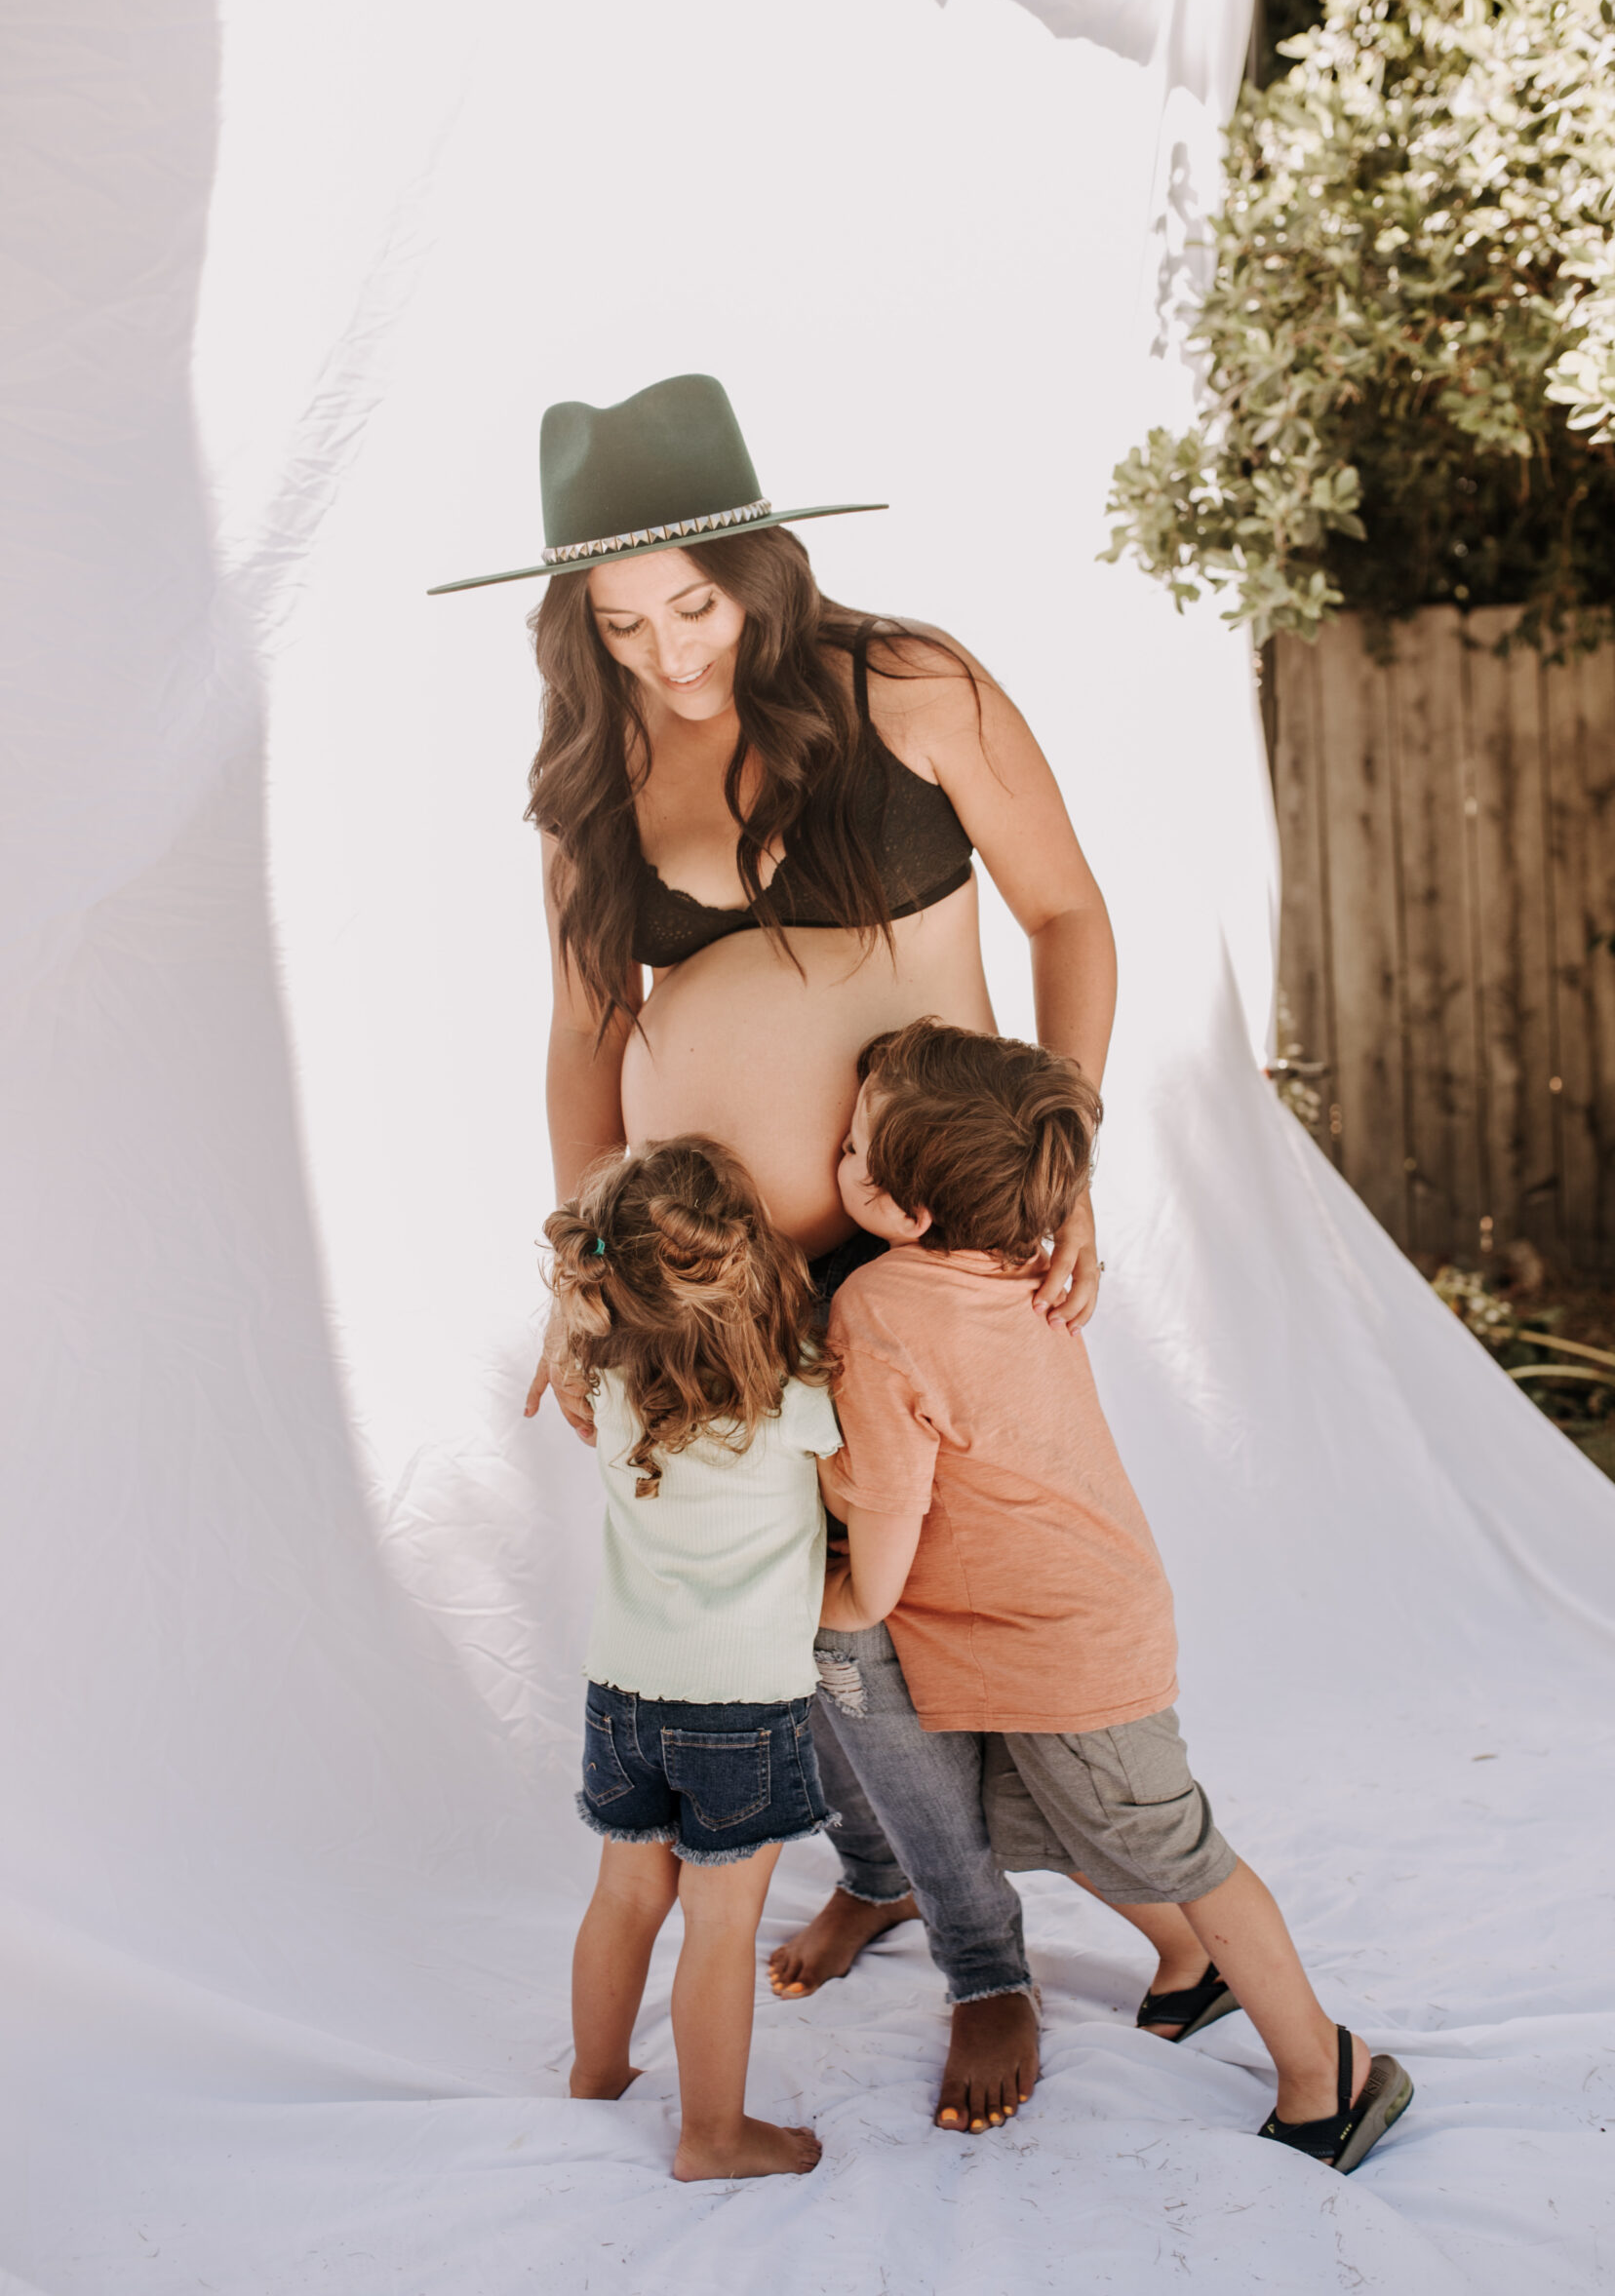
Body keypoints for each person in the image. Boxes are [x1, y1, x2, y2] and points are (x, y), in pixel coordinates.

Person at [438, 370, 1121, 2121]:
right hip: (713, 1284)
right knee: (782, 1623)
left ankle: (1001, 1944)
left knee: (944, 1597)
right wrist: (584, 1276)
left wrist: (1065, 1163)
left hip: (930, 1243)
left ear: (761, 562)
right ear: (573, 625)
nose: (668, 651)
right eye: (618, 621)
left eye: (694, 602)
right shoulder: (592, 777)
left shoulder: (912, 684)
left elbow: (1064, 911)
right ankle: (914, 1893)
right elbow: (585, 1032)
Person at [815, 1018, 1416, 2169]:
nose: (837, 1160)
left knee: (1181, 1852)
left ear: (905, 1210)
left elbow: (887, 1520)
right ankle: (1190, 1971)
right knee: (1048, 1825)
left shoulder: (883, 1310)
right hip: (1076, 1618)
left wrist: (848, 1602)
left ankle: (1325, 2069)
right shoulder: (1011, 1265)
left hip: (1066, 1651)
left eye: (852, 1149)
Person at [544, 1135, 841, 2181]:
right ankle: (712, 2134)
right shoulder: (793, 1392)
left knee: (623, 1897)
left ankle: (595, 2074)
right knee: (723, 1925)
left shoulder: (607, 1380)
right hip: (742, 1704)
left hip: (622, 1689)